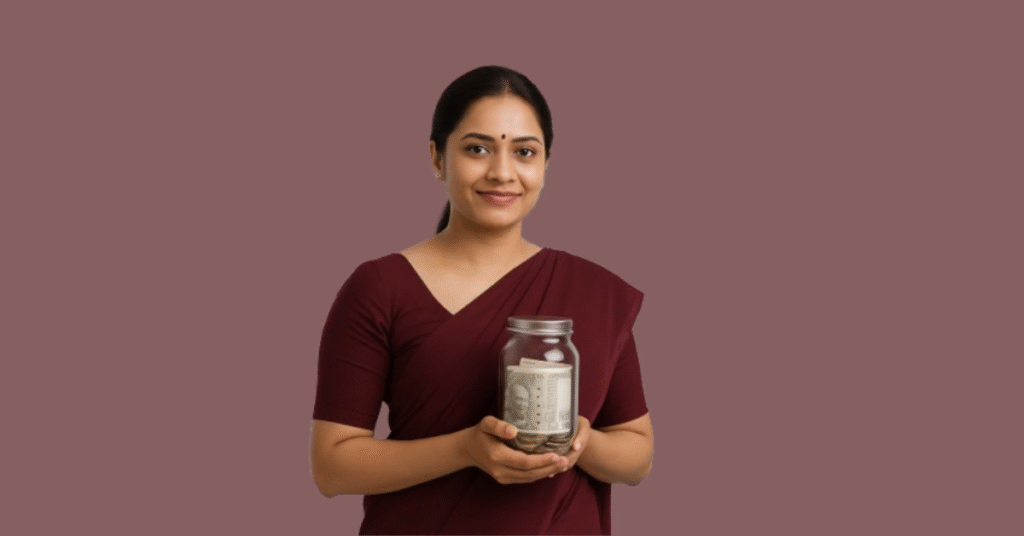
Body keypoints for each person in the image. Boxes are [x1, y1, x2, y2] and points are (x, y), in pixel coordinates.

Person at [310, 65, 654, 535]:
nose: (502, 172)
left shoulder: (594, 289)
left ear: (546, 164)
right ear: (436, 158)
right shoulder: (379, 287)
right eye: (477, 149)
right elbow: (333, 466)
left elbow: (637, 455)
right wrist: (465, 450)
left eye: (524, 152)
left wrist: (579, 442)